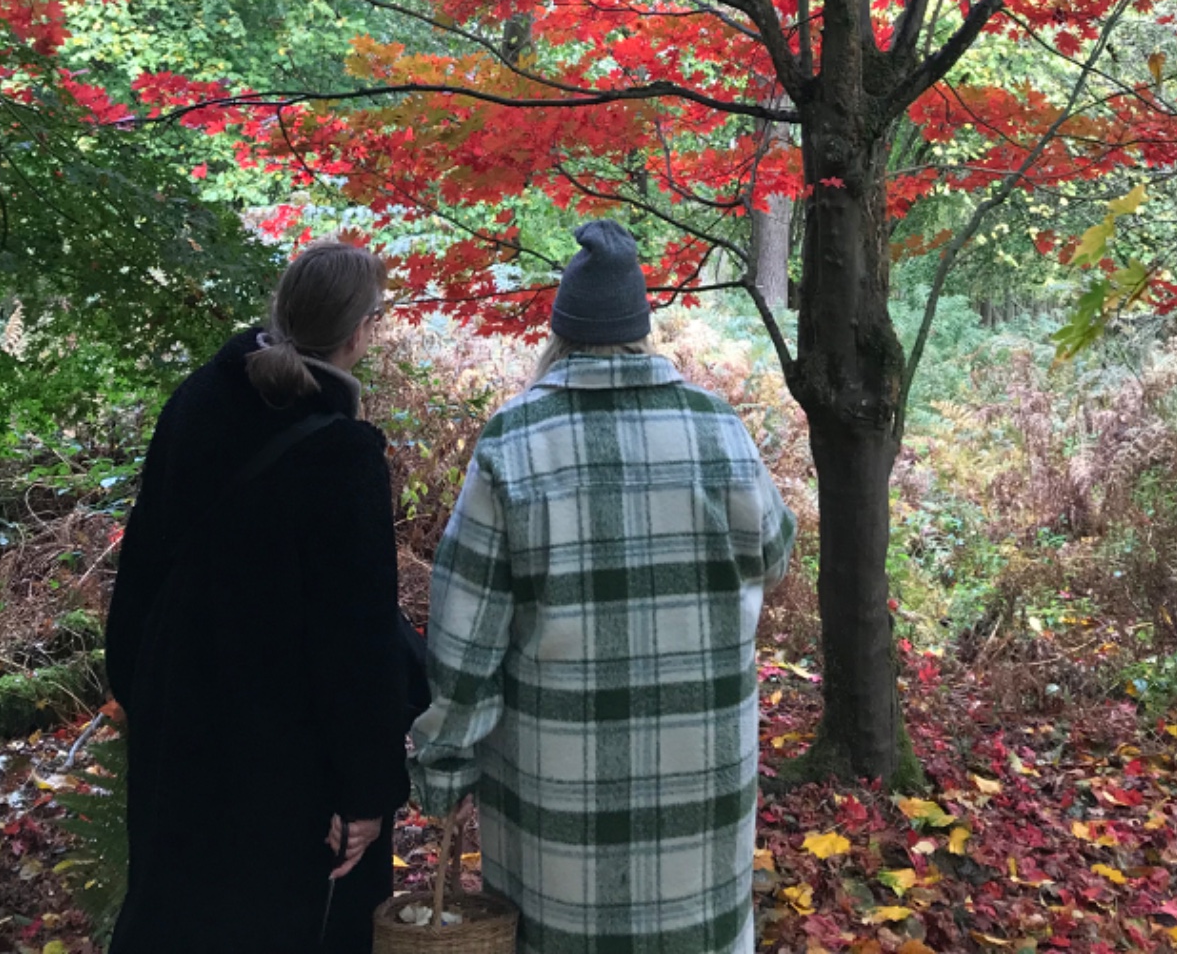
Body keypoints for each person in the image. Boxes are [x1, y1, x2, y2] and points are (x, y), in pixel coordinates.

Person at [411, 218, 796, 954]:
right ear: (641, 328)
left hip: (560, 791)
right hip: (702, 772)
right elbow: (774, 555)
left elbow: (466, 637)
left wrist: (443, 762)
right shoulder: (717, 428)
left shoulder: (514, 441)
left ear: (560, 330)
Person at [105, 239, 412, 954]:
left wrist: (145, 697)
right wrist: (367, 790)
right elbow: (356, 641)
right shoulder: (341, 456)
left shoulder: (199, 401)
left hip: (180, 736)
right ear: (360, 330)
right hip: (286, 773)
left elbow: (143, 563)